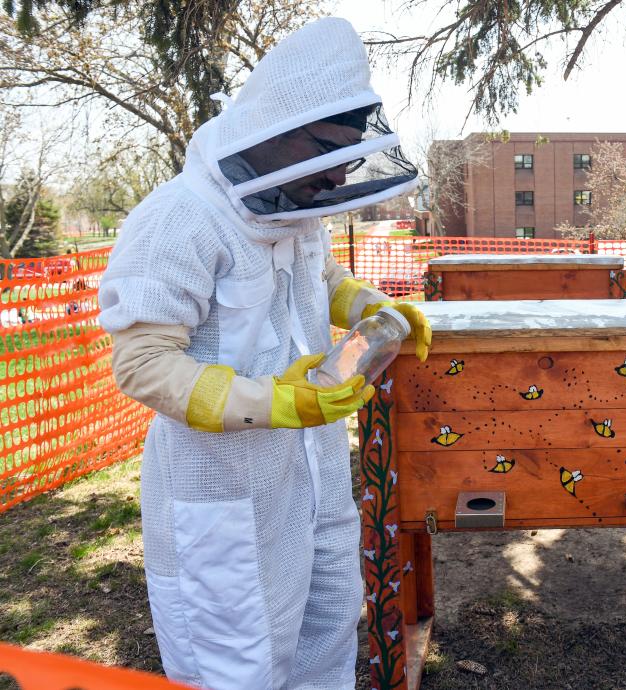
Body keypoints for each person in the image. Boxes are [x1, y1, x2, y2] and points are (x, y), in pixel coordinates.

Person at [98, 18, 430, 690]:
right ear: (278, 128)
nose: (338, 170)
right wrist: (273, 401)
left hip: (310, 486)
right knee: (238, 667)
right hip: (219, 500)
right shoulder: (179, 221)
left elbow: (322, 281)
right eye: (327, 149)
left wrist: (373, 310)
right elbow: (142, 361)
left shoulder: (296, 208)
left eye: (346, 152)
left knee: (329, 637)